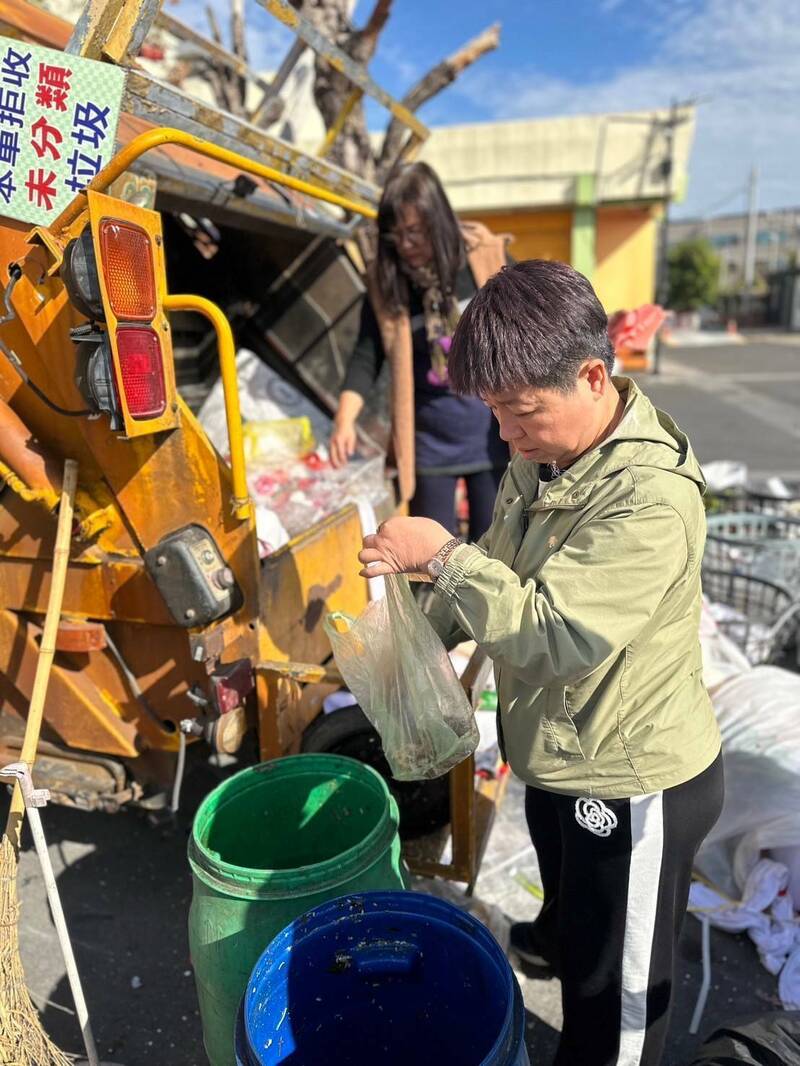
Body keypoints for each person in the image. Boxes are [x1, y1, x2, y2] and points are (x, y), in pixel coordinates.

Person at [357, 259, 724, 1066]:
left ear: (592, 376)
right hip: (562, 748)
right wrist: (418, 616)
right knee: (572, 902)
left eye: (522, 413)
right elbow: (504, 559)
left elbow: (556, 634)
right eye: (494, 413)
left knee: (616, 1001)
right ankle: (560, 935)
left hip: (630, 777)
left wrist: (444, 557)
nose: (506, 437)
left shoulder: (648, 499)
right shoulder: (548, 455)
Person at [330, 162, 510, 541]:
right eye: (396, 235)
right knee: (432, 554)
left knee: (495, 548)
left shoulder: (483, 260)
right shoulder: (387, 284)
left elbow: (526, 330)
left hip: (495, 436)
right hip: (428, 445)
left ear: (437, 221)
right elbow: (366, 356)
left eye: (414, 232)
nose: (406, 245)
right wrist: (344, 420)